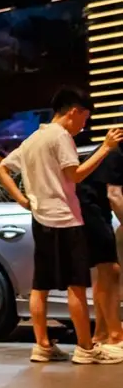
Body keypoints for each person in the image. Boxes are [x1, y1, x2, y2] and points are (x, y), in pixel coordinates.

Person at [0, 87, 123, 364]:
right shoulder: (61, 136)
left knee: (40, 286)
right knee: (76, 285)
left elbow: (1, 170)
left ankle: (42, 345)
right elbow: (75, 175)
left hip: (41, 219)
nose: (83, 126)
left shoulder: (33, 139)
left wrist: (23, 200)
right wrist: (105, 148)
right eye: (84, 118)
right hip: (66, 219)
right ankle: (86, 348)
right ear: (74, 111)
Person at [75, 143, 123, 348]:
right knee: (110, 270)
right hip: (90, 209)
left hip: (95, 209)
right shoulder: (116, 152)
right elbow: (114, 195)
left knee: (105, 273)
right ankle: (116, 335)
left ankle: (101, 333)